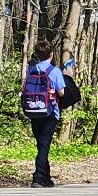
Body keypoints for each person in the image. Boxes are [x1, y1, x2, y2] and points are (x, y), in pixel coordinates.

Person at [21, 42, 66, 188]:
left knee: (41, 144)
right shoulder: (55, 71)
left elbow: (24, 87)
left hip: (33, 111)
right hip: (50, 112)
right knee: (44, 145)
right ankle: (38, 178)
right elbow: (62, 93)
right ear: (51, 54)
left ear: (37, 55)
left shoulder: (31, 69)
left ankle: (46, 178)